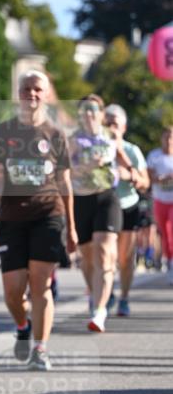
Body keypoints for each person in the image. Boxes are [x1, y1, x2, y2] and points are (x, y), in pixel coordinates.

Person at [0, 70, 77, 371]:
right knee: (12, 291)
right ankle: (23, 327)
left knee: (41, 286)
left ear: (47, 94)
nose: (32, 94)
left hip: (48, 214)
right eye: (26, 89)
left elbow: (65, 183)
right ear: (18, 93)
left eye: (38, 89)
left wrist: (72, 227)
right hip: (12, 217)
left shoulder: (55, 134)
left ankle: (40, 348)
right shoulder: (3, 131)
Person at [69, 94, 135, 333]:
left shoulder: (110, 136)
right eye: (84, 109)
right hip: (82, 199)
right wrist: (87, 165)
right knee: (87, 259)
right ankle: (95, 294)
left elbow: (123, 159)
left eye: (93, 109)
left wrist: (132, 171)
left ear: (100, 113)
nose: (89, 113)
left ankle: (100, 311)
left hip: (107, 197)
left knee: (105, 253)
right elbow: (65, 168)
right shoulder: (73, 139)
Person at [104, 104, 150, 315]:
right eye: (107, 123)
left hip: (127, 205)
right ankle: (106, 292)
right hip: (104, 206)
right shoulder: (97, 149)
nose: (111, 127)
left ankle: (124, 297)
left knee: (125, 258)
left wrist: (129, 175)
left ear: (123, 127)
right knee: (107, 255)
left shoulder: (132, 150)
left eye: (115, 123)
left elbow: (144, 182)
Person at [147, 126, 173, 284]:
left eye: (171, 137)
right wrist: (162, 179)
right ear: (161, 139)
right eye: (166, 137)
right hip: (159, 200)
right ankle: (169, 260)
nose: (169, 141)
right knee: (165, 233)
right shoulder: (154, 156)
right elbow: (149, 178)